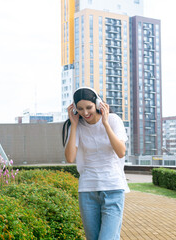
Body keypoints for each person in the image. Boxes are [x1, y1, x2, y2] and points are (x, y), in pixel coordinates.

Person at [62, 87, 129, 240]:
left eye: (88, 107)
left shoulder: (113, 120)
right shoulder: (78, 126)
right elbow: (70, 157)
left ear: (98, 104)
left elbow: (121, 152)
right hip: (88, 190)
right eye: (79, 109)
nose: (85, 113)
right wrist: (73, 125)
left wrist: (105, 123)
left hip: (113, 188)